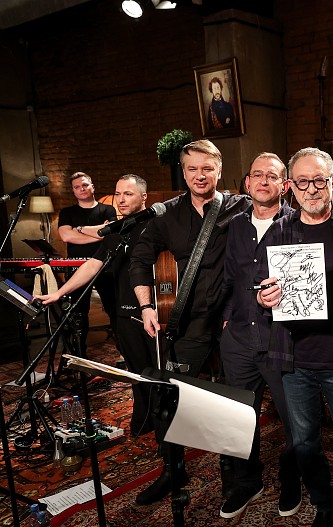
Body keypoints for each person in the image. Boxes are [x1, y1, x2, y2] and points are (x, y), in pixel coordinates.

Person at [256, 147, 333, 527]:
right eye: (303, 182)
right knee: (305, 445)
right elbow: (261, 286)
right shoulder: (279, 230)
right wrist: (264, 297)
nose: (312, 189)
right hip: (296, 360)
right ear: (290, 186)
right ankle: (325, 503)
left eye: (319, 181)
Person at [128, 139, 249, 505]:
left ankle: (233, 475)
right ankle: (173, 469)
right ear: (183, 172)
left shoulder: (240, 207)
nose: (200, 175)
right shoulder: (166, 215)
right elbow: (139, 258)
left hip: (231, 321)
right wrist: (147, 306)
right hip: (188, 323)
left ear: (219, 171)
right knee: (170, 398)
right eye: (192, 168)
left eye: (207, 168)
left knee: (230, 402)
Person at [38, 174, 157, 435]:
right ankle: (144, 419)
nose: (121, 200)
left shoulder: (157, 226)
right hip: (124, 311)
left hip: (154, 310)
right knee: (136, 370)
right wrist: (59, 293)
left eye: (128, 194)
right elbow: (93, 265)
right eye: (118, 194)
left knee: (159, 371)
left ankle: (166, 421)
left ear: (143, 197)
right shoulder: (116, 231)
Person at [217, 152, 301, 519]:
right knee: (237, 418)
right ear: (247, 183)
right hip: (238, 338)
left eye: (272, 175)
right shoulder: (235, 225)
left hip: (281, 339)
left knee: (295, 420)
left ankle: (291, 479)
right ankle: (247, 482)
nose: (263, 181)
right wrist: (225, 319)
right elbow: (228, 277)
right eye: (257, 175)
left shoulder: (298, 223)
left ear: (284, 185)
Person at [57, 171, 118, 354]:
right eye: (77, 187)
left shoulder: (108, 209)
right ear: (73, 191)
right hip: (77, 268)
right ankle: (79, 355)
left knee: (114, 309)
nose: (81, 189)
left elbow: (111, 232)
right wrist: (100, 234)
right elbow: (66, 236)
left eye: (85, 185)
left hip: (105, 265)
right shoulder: (67, 212)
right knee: (78, 312)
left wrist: (80, 229)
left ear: (92, 186)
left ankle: (125, 352)